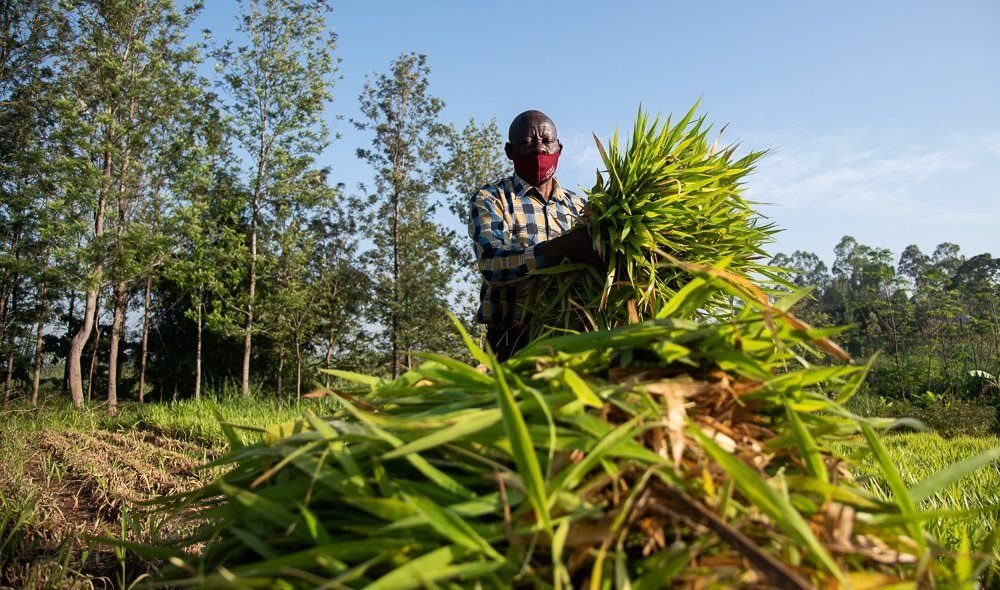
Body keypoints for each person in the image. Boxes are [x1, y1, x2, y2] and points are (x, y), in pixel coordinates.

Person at [468, 110, 602, 361]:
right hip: (511, 343)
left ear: (559, 147)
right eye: (527, 142)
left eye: (547, 141)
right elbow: (491, 264)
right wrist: (561, 248)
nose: (539, 150)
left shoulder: (579, 207)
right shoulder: (492, 198)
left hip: (571, 341)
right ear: (510, 151)